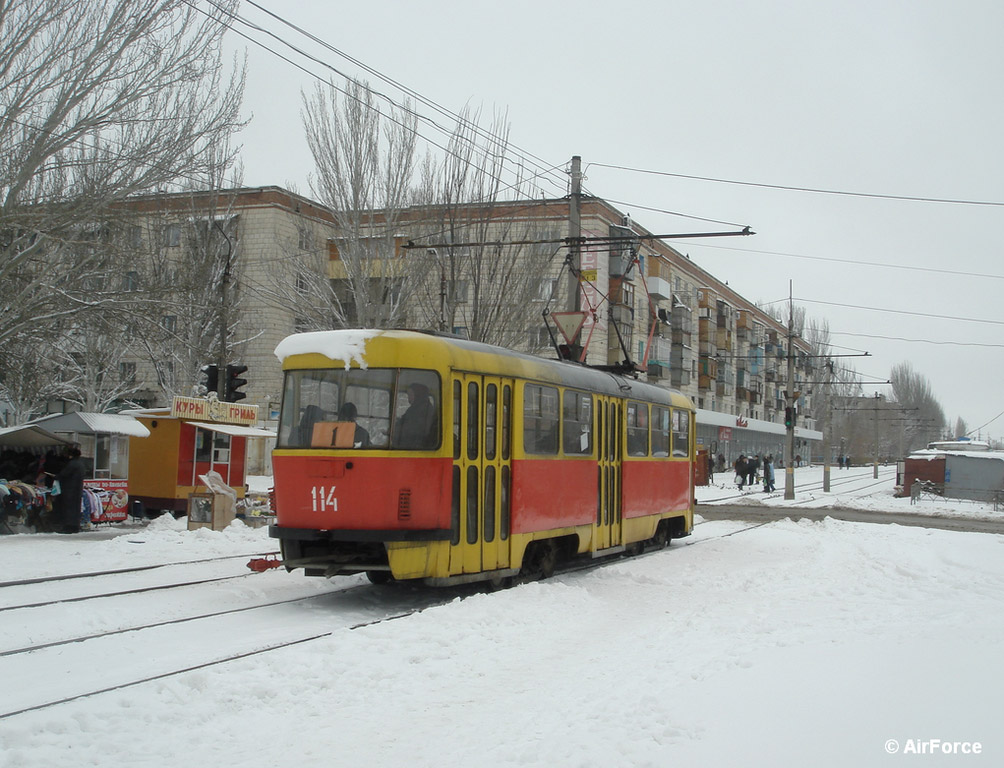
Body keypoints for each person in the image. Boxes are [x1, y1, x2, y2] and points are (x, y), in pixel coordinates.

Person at [395, 382, 436, 449]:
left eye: (411, 394)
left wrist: (396, 432)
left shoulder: (425, 410)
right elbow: (403, 422)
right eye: (408, 395)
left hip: (417, 448)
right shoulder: (413, 409)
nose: (408, 398)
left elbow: (414, 430)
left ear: (418, 395)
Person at [55, 447, 86, 534]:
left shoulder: (72, 464)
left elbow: (64, 474)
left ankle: (69, 527)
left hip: (69, 490)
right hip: (78, 489)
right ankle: (76, 526)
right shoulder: (81, 464)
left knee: (68, 509)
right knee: (76, 508)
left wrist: (56, 476)